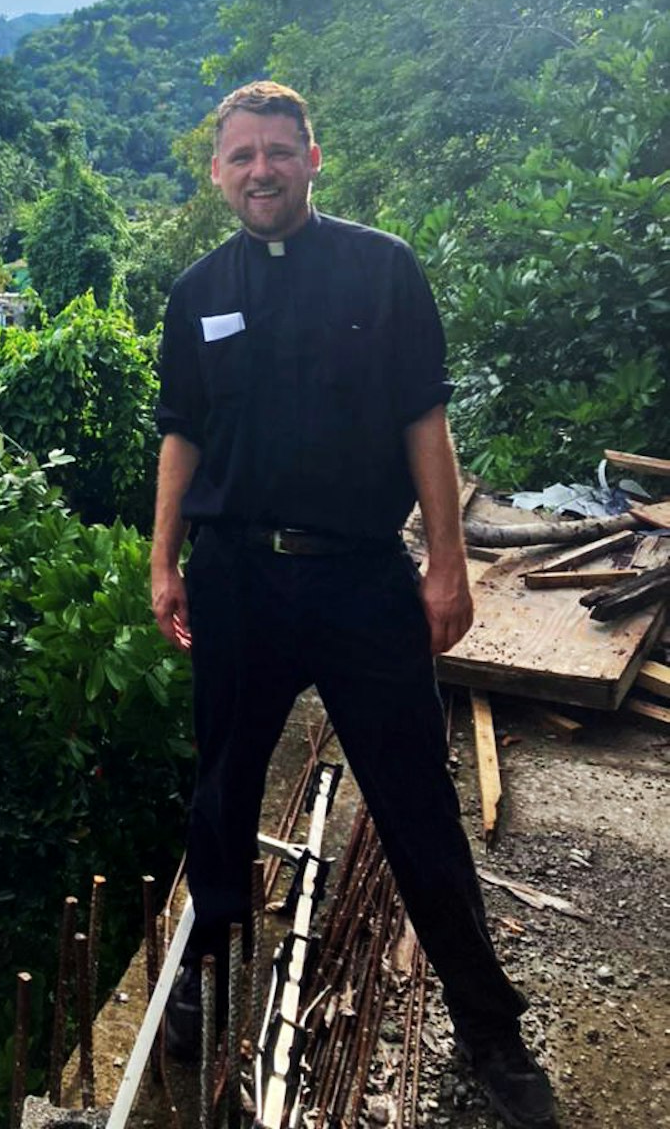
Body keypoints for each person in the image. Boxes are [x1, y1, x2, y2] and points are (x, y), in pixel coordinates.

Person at [151, 81, 556, 1129]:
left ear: (312, 159)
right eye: (239, 156)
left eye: (277, 152)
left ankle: (488, 1028)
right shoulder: (197, 293)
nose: (259, 171)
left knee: (416, 797)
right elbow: (180, 435)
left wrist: (447, 562)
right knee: (223, 784)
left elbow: (423, 418)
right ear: (216, 173)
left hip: (359, 576)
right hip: (238, 574)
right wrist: (163, 561)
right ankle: (200, 964)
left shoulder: (381, 270)